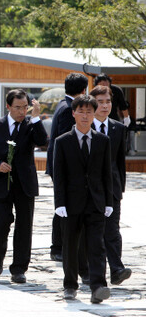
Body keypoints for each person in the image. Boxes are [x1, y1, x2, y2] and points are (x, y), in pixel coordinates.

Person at [53, 95, 113, 304]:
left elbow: (107, 173)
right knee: (70, 245)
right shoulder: (63, 141)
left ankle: (98, 286)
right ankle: (70, 284)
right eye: (81, 111)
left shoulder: (103, 141)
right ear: (73, 113)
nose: (85, 115)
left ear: (94, 113)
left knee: (97, 245)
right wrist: (59, 203)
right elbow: (59, 175)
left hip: (96, 201)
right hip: (70, 203)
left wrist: (109, 202)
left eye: (89, 111)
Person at [0, 89, 47, 284]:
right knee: (1, 222)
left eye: (25, 107)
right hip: (1, 181)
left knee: (24, 226)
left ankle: (19, 268)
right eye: (17, 107)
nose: (22, 111)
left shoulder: (31, 125)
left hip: (25, 183)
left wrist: (36, 118)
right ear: (8, 106)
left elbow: (42, 141)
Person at [90, 85, 131, 285]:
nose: (105, 106)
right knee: (92, 231)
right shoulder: (84, 127)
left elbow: (119, 162)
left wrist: (119, 188)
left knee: (112, 230)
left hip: (112, 188)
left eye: (108, 101)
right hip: (89, 189)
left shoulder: (118, 128)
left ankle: (117, 269)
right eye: (100, 102)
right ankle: (89, 271)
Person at [46, 73, 88, 262]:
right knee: (63, 205)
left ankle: (60, 246)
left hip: (61, 165)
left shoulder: (63, 105)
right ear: (83, 90)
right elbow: (65, 140)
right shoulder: (67, 109)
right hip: (63, 166)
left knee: (65, 204)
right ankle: (58, 246)